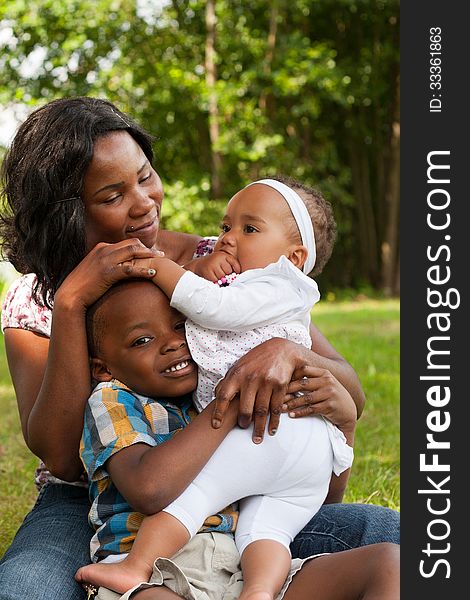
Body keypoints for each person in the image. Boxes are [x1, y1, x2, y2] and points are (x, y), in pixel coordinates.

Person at [0, 97, 399, 600]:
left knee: (396, 539)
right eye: (112, 194)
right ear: (68, 212)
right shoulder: (36, 301)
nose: (144, 202)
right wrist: (72, 301)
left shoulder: (223, 260)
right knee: (24, 589)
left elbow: (347, 387)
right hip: (88, 505)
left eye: (146, 177)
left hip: (235, 492)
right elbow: (61, 458)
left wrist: (289, 352)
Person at [76, 176, 355, 600]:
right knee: (270, 530)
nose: (226, 240)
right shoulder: (261, 283)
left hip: (266, 436)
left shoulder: (268, 284)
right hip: (303, 455)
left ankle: (137, 565)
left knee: (200, 492)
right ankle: (260, 592)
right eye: (226, 227)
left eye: (248, 229)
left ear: (295, 257)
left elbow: (212, 306)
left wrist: (157, 266)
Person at [76, 279, 397, 600]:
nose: (174, 343)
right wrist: (229, 401)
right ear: (104, 368)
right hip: (150, 572)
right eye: (142, 340)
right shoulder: (113, 399)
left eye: (180, 326)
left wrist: (343, 429)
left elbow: (312, 503)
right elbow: (148, 490)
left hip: (243, 569)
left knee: (390, 564)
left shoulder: (210, 389)